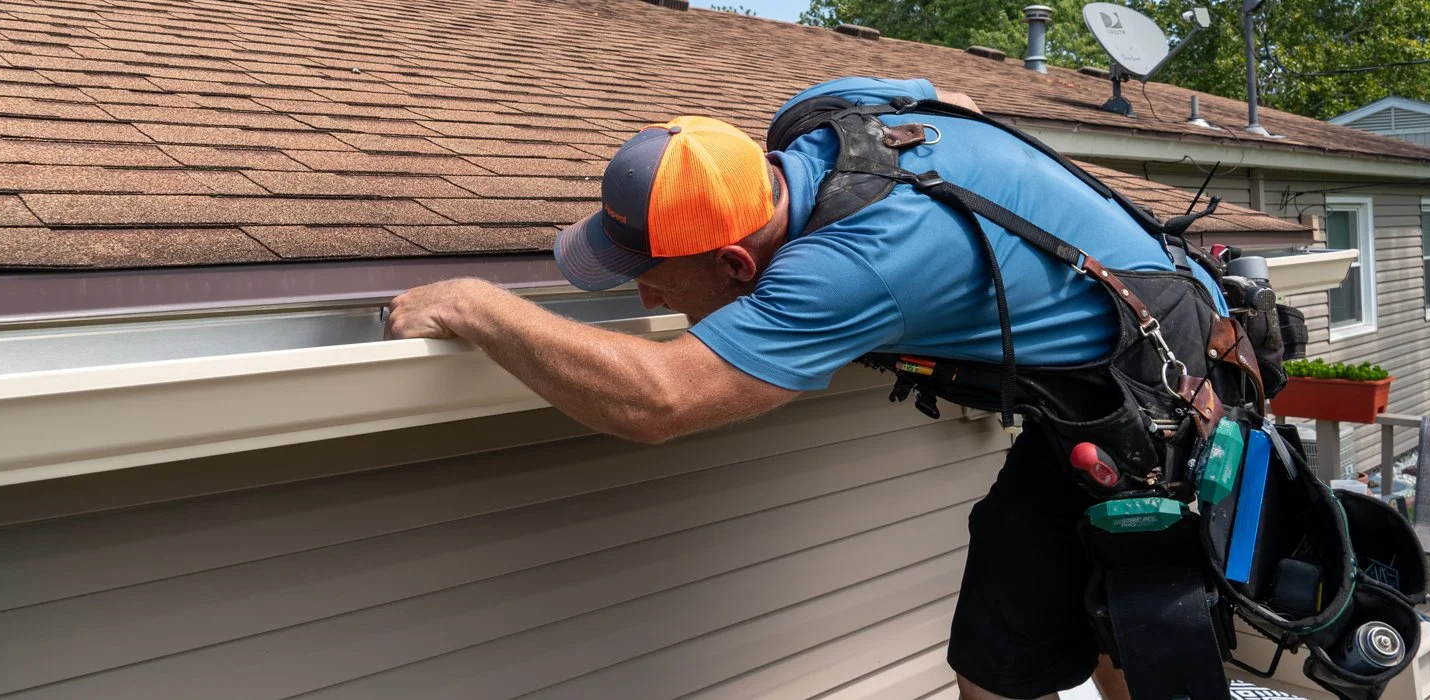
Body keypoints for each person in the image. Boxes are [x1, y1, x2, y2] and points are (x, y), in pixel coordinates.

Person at [385, 76, 1230, 700]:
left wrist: (477, 304)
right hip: (1100, 364)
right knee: (999, 653)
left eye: (654, 279)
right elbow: (961, 107)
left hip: (1158, 389)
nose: (644, 297)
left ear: (735, 263)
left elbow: (658, 399)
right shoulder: (819, 116)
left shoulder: (849, 270)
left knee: (1134, 624)